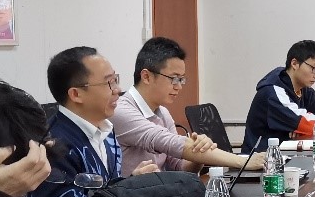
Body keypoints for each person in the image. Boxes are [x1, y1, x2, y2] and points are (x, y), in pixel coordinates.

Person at [26, 47, 157, 197]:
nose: (118, 89)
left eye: (115, 79)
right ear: (76, 94)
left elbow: (106, 194)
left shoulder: (106, 129)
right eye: (109, 83)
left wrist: (132, 183)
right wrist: (130, 189)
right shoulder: (51, 146)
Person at [112, 36, 265, 173]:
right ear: (146, 77)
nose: (179, 86)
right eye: (174, 79)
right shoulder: (121, 110)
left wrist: (199, 152)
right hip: (134, 194)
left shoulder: (162, 112)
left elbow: (179, 166)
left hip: (158, 191)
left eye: (181, 79)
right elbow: (168, 142)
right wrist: (244, 162)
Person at [242, 39, 315, 153]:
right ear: (294, 63)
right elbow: (310, 124)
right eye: (314, 68)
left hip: (287, 154)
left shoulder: (304, 89)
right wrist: (309, 126)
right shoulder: (272, 92)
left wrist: (303, 129)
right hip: (261, 158)